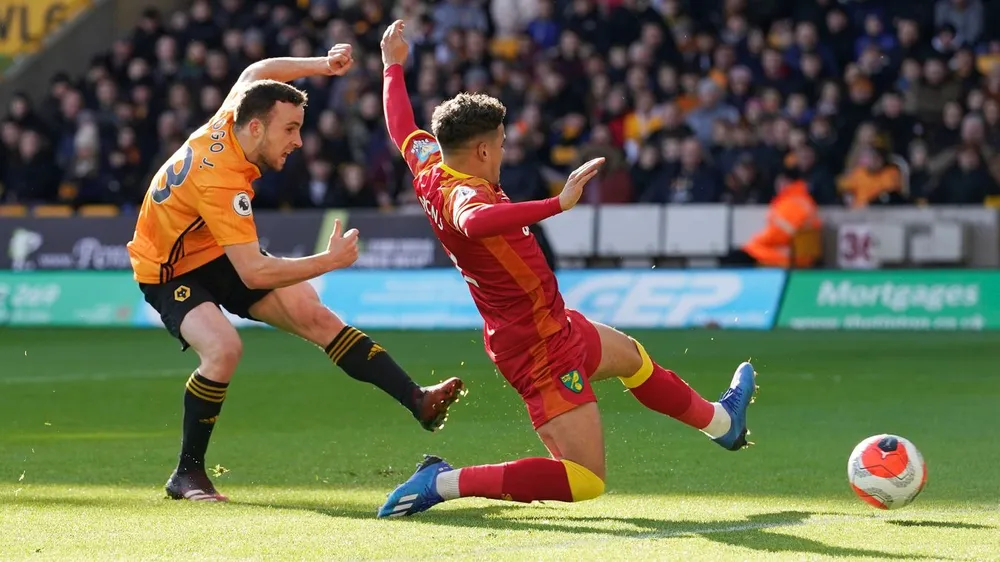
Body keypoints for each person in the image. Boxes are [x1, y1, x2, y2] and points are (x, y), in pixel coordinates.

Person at [375, 21, 758, 518]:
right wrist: (557, 203)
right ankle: (443, 482)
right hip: (537, 347)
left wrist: (392, 67)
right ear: (484, 150)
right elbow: (474, 221)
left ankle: (722, 424)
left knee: (633, 359)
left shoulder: (432, 166)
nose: (504, 152)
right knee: (584, 480)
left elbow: (402, 127)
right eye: (502, 143)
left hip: (551, 322)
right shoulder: (464, 193)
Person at [127, 43, 465, 503]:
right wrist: (329, 261)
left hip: (210, 244)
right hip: (166, 267)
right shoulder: (220, 180)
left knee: (314, 313)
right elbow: (252, 272)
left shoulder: (237, 113)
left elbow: (259, 68)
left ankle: (416, 399)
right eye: (290, 129)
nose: (299, 141)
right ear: (256, 127)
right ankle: (187, 474)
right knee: (223, 349)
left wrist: (321, 66)